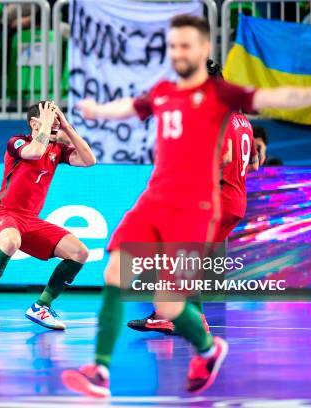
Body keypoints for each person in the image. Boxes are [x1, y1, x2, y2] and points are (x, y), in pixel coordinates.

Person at [60, 14, 311, 397]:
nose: (178, 53)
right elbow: (133, 107)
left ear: (203, 50)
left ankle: (204, 343)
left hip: (197, 204)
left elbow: (273, 100)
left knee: (168, 298)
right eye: (173, 46)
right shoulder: (165, 90)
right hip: (157, 198)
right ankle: (100, 371)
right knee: (117, 270)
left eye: (186, 45)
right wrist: (98, 112)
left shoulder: (222, 100)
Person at [126, 59, 260, 335]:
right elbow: (254, 163)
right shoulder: (241, 119)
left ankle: (190, 318)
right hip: (236, 200)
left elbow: (224, 158)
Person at [0, 100, 96, 331]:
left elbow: (89, 160)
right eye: (52, 118)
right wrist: (47, 126)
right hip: (3, 212)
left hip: (31, 220)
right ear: (34, 123)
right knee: (10, 242)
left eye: (57, 118)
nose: (55, 122)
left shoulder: (57, 150)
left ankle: (41, 307)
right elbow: (35, 151)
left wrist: (67, 127)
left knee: (80, 252)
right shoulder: (17, 142)